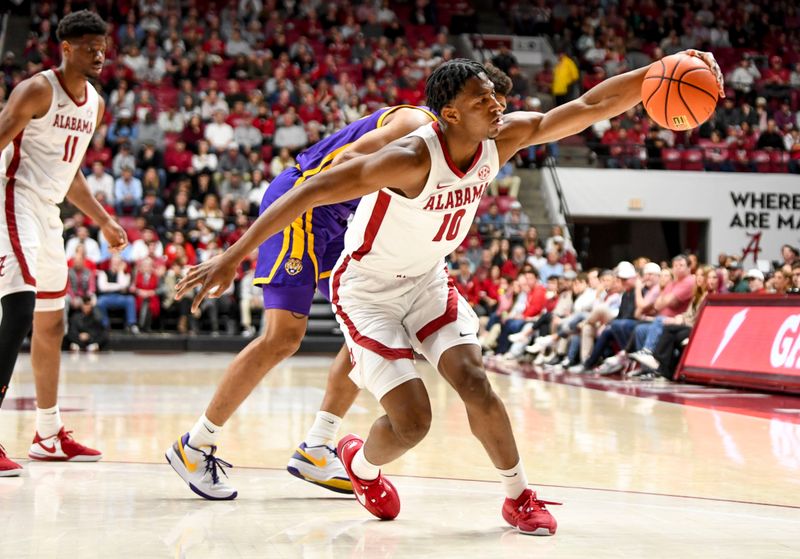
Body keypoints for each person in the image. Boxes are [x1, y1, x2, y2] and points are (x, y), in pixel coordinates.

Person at [174, 55, 724, 534]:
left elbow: (586, 106)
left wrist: (659, 71)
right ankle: (351, 463)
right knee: (407, 418)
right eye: (483, 97)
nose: (497, 104)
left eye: (495, 95)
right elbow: (316, 185)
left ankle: (517, 496)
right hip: (365, 287)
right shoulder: (410, 155)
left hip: (427, 280)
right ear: (451, 113)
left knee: (474, 381)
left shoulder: (500, 139)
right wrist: (231, 256)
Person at [0, 11, 128, 476]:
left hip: (48, 210)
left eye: (103, 46)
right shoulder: (37, 90)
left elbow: (69, 174)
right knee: (18, 308)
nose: (100, 54)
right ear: (66, 48)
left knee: (52, 323)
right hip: (11, 199)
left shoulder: (93, 103)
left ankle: (48, 434)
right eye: (90, 46)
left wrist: (105, 220)